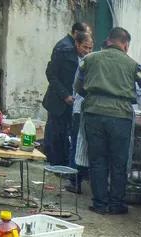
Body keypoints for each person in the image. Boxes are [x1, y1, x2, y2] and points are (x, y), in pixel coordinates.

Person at [75, 26, 141, 214]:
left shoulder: (89, 59)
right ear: (125, 44)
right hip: (120, 117)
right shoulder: (132, 64)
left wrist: (93, 97)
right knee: (119, 161)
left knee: (97, 160)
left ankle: (99, 204)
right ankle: (116, 204)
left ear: (108, 41)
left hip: (94, 114)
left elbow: (78, 86)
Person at [42, 22, 90, 166]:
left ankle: (62, 165)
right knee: (55, 135)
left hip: (72, 101)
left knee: (65, 136)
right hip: (59, 100)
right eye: (85, 45)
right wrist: (65, 95)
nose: (87, 50)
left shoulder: (82, 54)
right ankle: (54, 165)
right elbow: (51, 74)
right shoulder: (64, 49)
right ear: (76, 36)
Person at [64, 31, 94, 193]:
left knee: (82, 145)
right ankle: (74, 179)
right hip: (79, 109)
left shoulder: (89, 62)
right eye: (85, 47)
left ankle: (79, 178)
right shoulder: (83, 63)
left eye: (90, 48)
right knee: (76, 144)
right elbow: (76, 87)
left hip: (88, 110)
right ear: (77, 44)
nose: (88, 51)